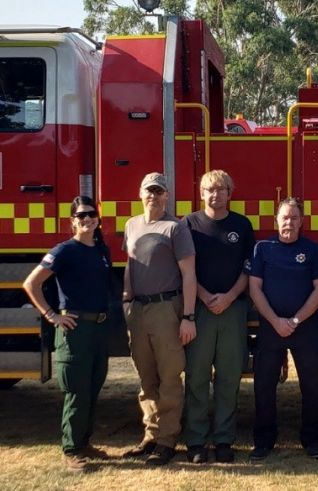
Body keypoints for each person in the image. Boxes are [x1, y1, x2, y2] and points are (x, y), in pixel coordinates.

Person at [22, 196, 112, 473]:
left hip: (98, 327)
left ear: (98, 218)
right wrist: (51, 315)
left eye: (91, 214)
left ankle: (84, 444)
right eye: (80, 216)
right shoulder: (64, 251)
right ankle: (71, 451)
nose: (86, 219)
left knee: (92, 387)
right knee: (76, 390)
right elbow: (31, 283)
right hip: (75, 329)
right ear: (72, 221)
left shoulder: (101, 249)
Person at [120, 172, 198, 466]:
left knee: (169, 378)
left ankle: (167, 441)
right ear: (140, 193)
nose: (153, 195)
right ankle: (150, 435)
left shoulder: (176, 229)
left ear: (167, 196)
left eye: (158, 191)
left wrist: (188, 316)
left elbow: (189, 274)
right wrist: (126, 300)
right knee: (146, 378)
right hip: (138, 310)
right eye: (148, 190)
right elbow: (129, 265)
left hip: (167, 308)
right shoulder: (132, 225)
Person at [247, 198, 318, 461]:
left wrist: (294, 320)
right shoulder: (262, 249)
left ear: (301, 222)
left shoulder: (313, 250)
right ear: (276, 221)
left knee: (312, 386)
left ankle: (312, 441)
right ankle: (263, 441)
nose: (289, 223)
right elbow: (254, 289)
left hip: (303, 328)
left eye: (294, 218)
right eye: (285, 218)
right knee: (264, 386)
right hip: (271, 328)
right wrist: (275, 321)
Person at [183, 170, 255, 464]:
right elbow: (184, 269)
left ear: (230, 192)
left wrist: (228, 297)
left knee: (228, 378)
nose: (215, 194)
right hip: (200, 309)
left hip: (232, 309)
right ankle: (196, 441)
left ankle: (224, 440)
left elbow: (249, 268)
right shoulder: (188, 224)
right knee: (197, 377)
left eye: (221, 189)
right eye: (209, 189)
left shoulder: (242, 224)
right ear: (201, 193)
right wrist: (203, 297)